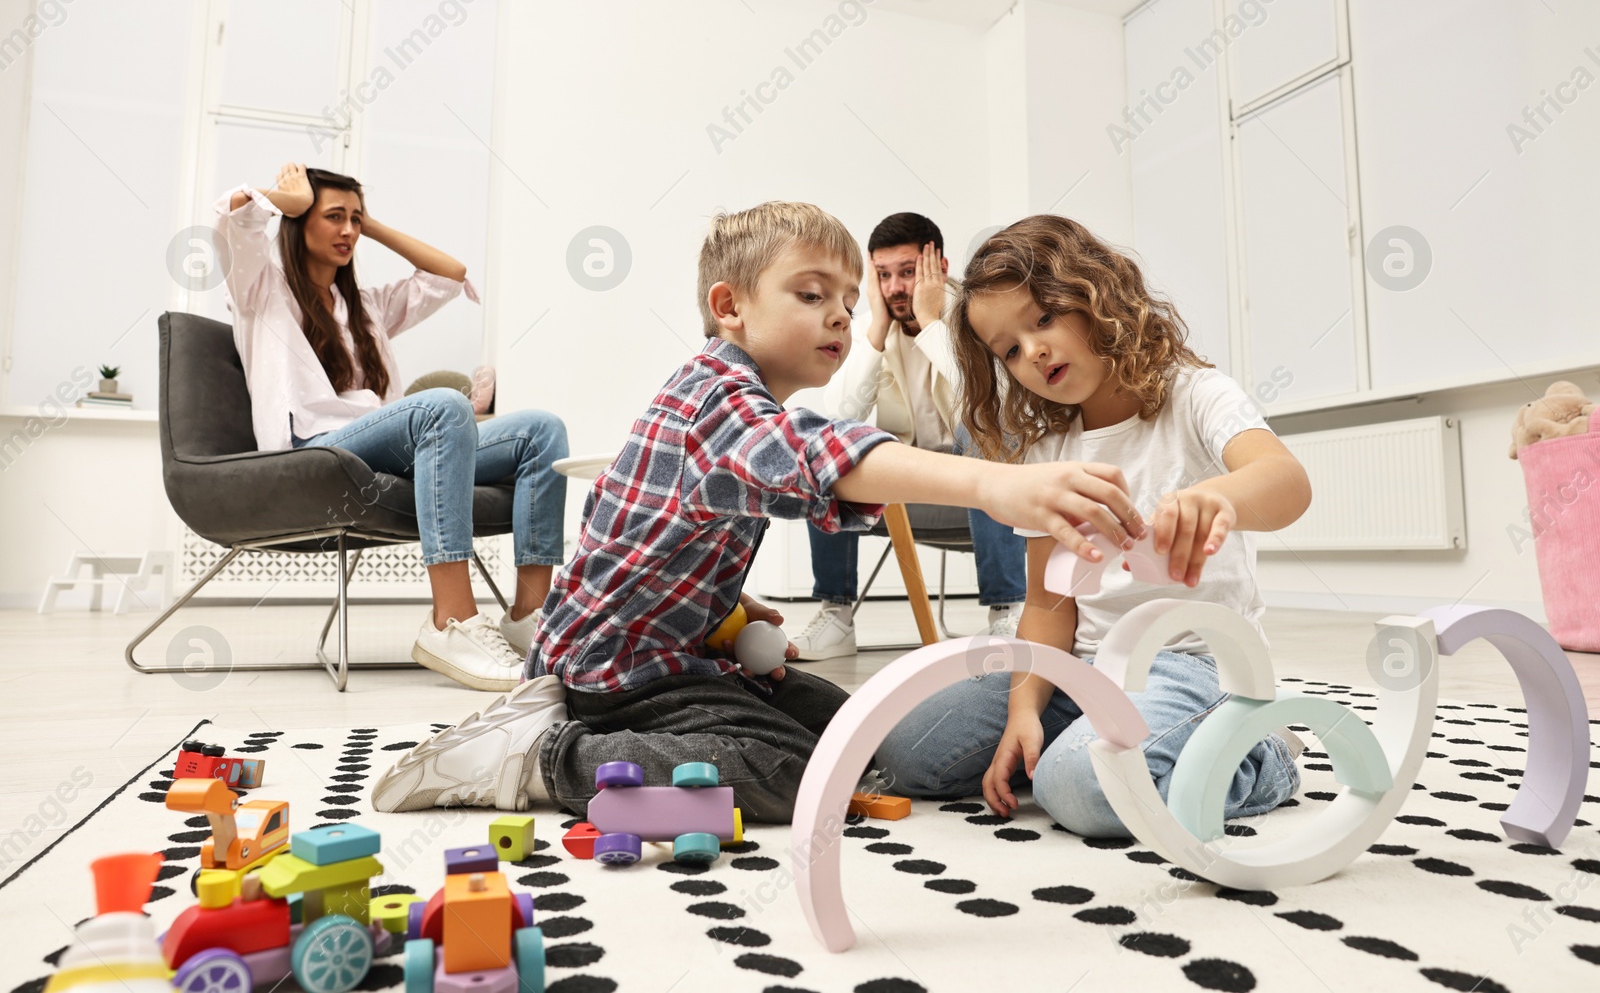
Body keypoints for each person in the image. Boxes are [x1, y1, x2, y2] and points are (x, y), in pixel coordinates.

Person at [372, 201, 1148, 821]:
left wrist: (724, 601)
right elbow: (824, 453)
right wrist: (994, 485)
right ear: (729, 306)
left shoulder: (734, 400)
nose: (842, 316)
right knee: (796, 772)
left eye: (849, 300)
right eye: (813, 296)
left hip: (670, 651)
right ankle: (546, 757)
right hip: (619, 675)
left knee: (852, 724)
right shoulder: (722, 398)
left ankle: (599, 733)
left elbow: (651, 530)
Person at [875, 214, 1311, 837]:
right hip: (1080, 669)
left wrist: (1219, 499)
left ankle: (1260, 756)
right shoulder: (1046, 444)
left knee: (1076, 791)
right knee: (905, 748)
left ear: (1094, 295)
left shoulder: (1194, 394)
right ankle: (1099, 746)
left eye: (1043, 319)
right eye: (1010, 350)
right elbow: (1048, 605)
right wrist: (1025, 707)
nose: (1033, 351)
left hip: (1192, 665)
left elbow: (1287, 482)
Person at [216, 162, 568, 692]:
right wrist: (285, 199)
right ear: (297, 219)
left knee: (541, 429)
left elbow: (449, 273)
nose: (348, 231)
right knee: (443, 406)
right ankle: (449, 621)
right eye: (333, 217)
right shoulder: (261, 290)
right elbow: (234, 216)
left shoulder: (367, 307)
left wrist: (366, 224)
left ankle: (528, 617)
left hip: (379, 441)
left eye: (354, 220)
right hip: (312, 447)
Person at [792, 213, 1027, 660]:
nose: (895, 287)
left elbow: (986, 412)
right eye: (883, 275)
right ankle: (837, 618)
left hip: (983, 494)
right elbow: (841, 417)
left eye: (907, 272)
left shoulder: (976, 320)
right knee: (825, 446)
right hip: (903, 494)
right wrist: (876, 331)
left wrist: (931, 320)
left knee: (985, 436)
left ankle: (1007, 612)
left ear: (939, 268)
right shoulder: (867, 330)